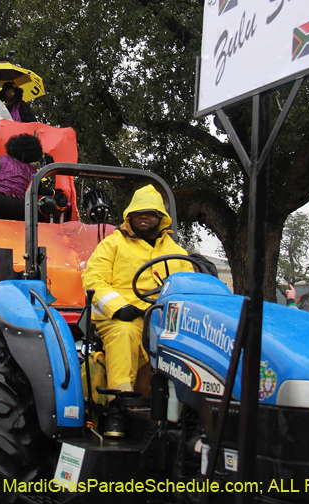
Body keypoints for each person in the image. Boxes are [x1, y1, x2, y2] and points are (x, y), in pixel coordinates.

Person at [82, 185, 194, 438]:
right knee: (124, 334)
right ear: (129, 216)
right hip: (121, 317)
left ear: (161, 218)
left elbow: (189, 283)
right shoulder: (112, 244)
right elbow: (93, 279)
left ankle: (183, 411)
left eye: (150, 213)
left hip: (162, 318)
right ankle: (117, 408)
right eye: (138, 212)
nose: (144, 217)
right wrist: (118, 307)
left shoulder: (176, 252)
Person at [0, 133, 48, 220]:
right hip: (20, 205)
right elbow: (40, 191)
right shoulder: (33, 171)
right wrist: (54, 192)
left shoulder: (2, 159)